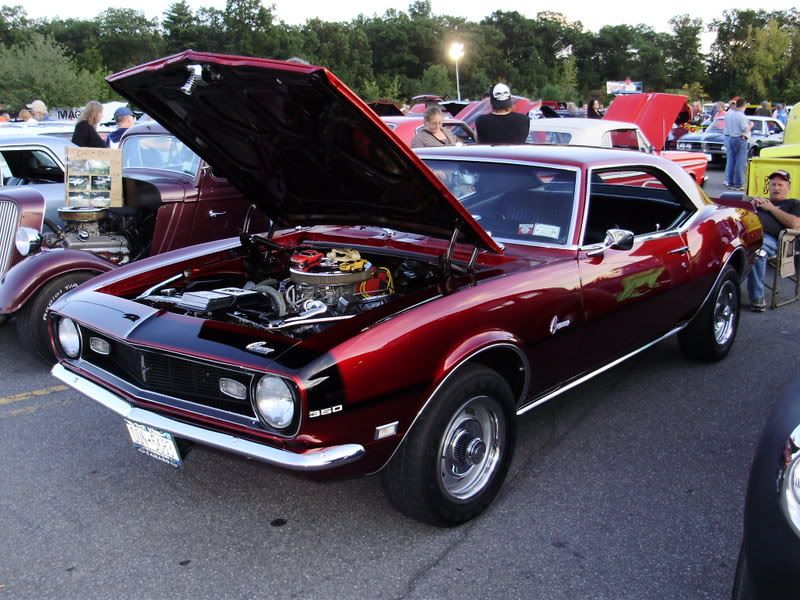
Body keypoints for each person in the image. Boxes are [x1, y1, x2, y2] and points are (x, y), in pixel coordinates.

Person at [748, 170, 800, 312]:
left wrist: (771, 208)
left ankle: (757, 297)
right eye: (773, 184)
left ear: (788, 187)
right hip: (749, 235)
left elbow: (795, 225)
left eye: (780, 185)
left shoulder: (793, 204)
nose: (776, 188)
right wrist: (750, 207)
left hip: (775, 241)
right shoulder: (759, 201)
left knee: (758, 251)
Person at [723, 97, 751, 190]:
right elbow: (745, 129)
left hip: (731, 138)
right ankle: (739, 183)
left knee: (731, 161)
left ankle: (730, 182)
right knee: (740, 162)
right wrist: (751, 125)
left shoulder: (730, 114)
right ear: (744, 105)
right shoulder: (741, 115)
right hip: (740, 139)